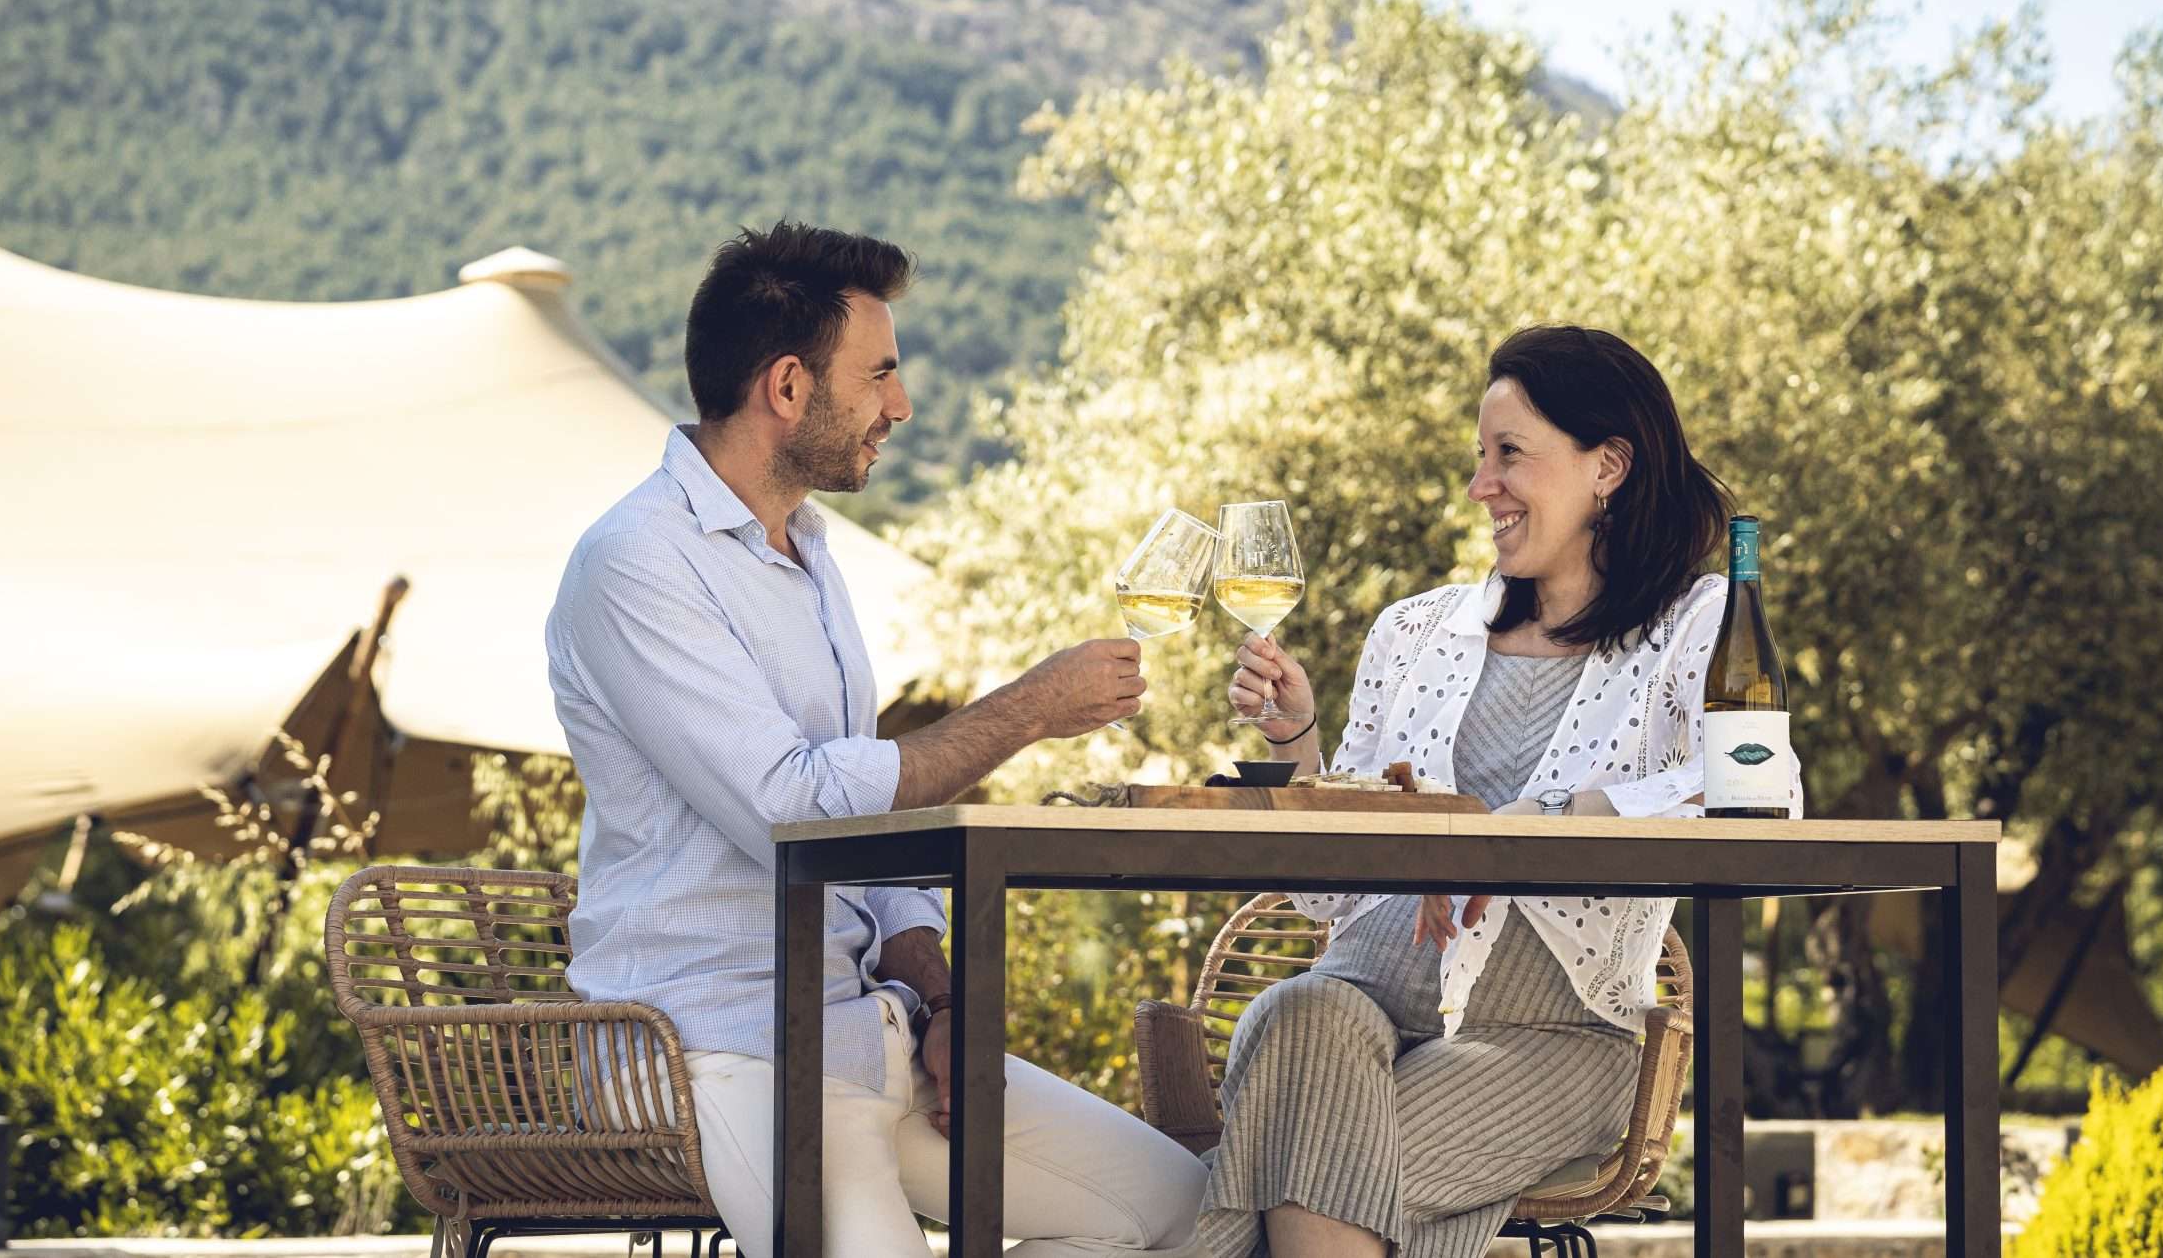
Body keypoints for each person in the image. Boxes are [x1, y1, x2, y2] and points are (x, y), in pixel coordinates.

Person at [546, 222, 1204, 1258]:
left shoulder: (809, 551)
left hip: (870, 1031)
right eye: (881, 373)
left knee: (1190, 1214)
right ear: (788, 386)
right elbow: (795, 809)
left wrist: (941, 1000)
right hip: (714, 1045)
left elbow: (870, 836)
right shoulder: (637, 562)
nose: (901, 406)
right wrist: (1027, 711)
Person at [1200, 325, 1801, 1258]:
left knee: (1298, 1163)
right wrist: (1294, 739)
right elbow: (1323, 894)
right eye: (1481, 456)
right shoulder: (1414, 631)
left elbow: (1763, 792)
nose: (1482, 485)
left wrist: (1537, 825)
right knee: (1293, 1009)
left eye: (1509, 453)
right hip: (1356, 997)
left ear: (1608, 466)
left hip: (1547, 1037)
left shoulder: (1695, 624)